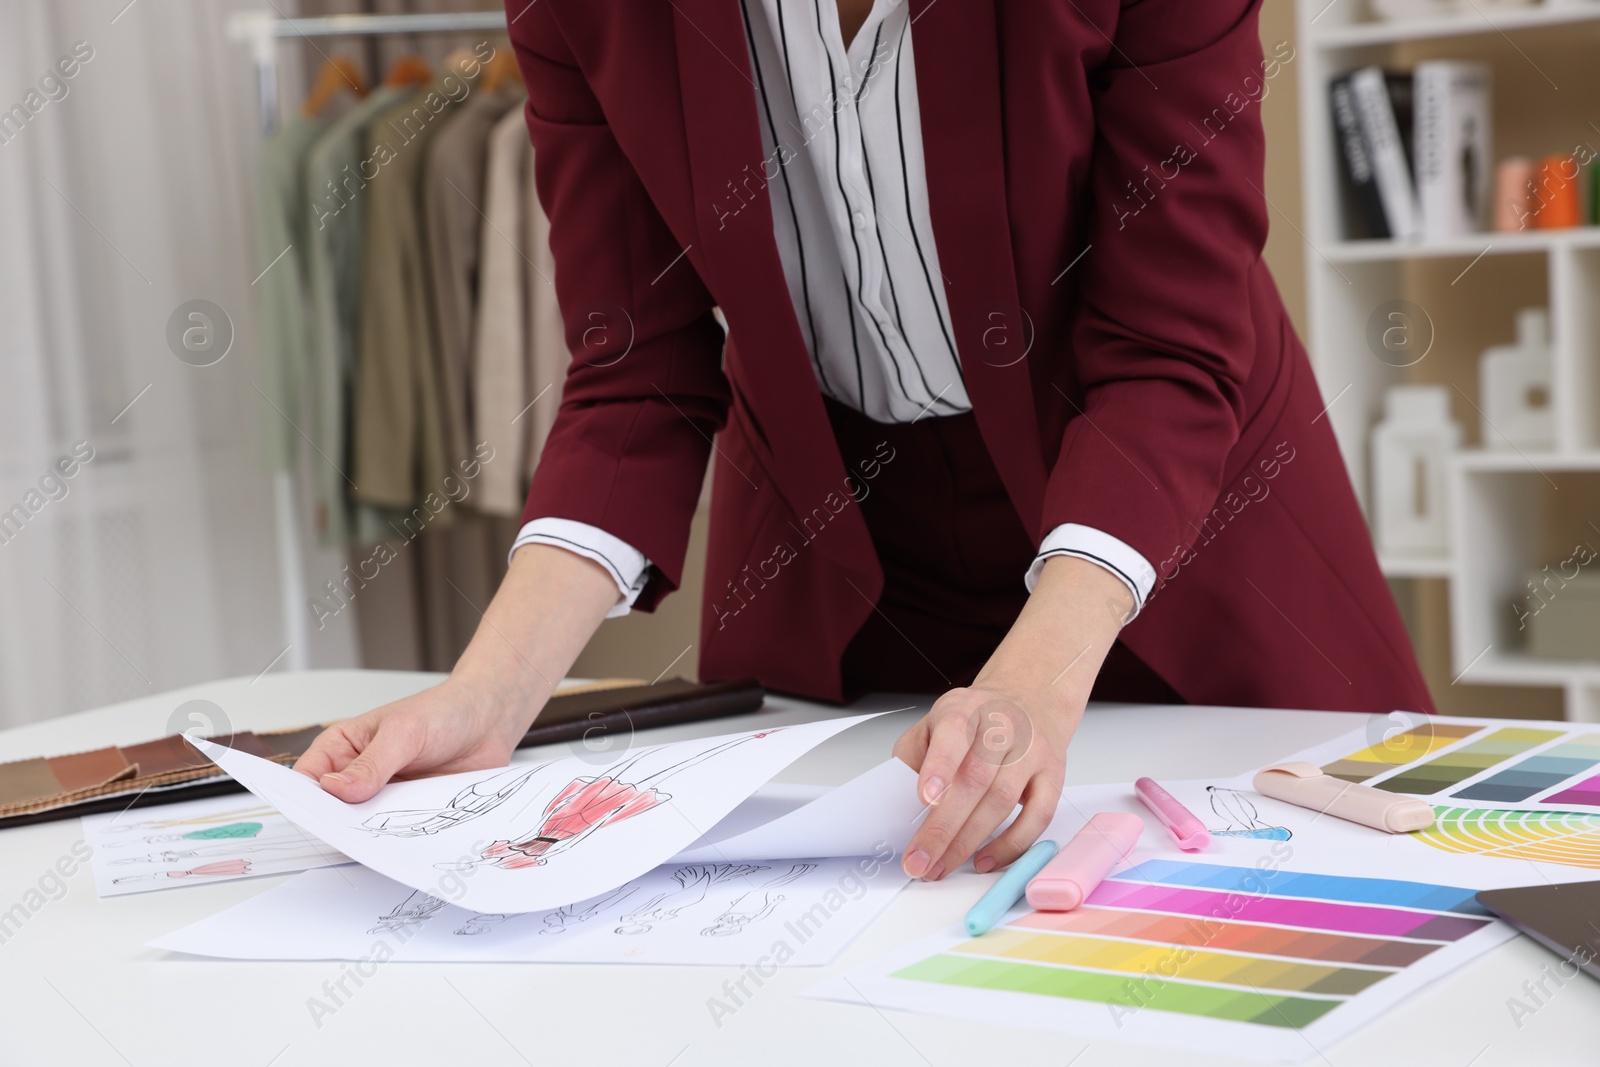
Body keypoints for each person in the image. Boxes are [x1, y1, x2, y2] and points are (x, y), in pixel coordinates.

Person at [296, 0, 1434, 884]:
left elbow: (1166, 343)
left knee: (1314, 899)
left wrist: (1034, 683)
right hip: (838, 526)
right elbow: (635, 370)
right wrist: (489, 695)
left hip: (1161, 515)